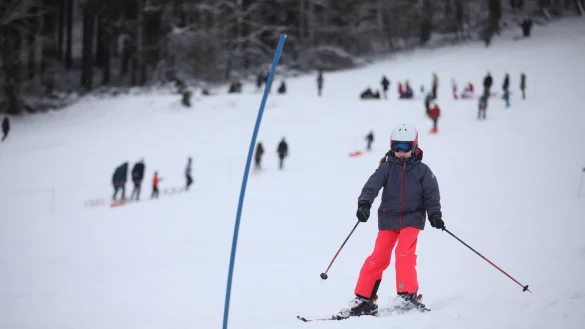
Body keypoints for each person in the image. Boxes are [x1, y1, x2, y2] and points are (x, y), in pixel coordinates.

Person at [335, 123, 445, 319]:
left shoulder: (422, 171)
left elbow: (431, 195)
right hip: (389, 218)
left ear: (415, 145)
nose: (401, 152)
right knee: (378, 257)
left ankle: (407, 296)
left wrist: (435, 214)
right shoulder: (386, 167)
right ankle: (364, 299)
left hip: (412, 217)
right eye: (396, 147)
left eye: (405, 147)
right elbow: (371, 186)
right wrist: (364, 204)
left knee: (404, 253)